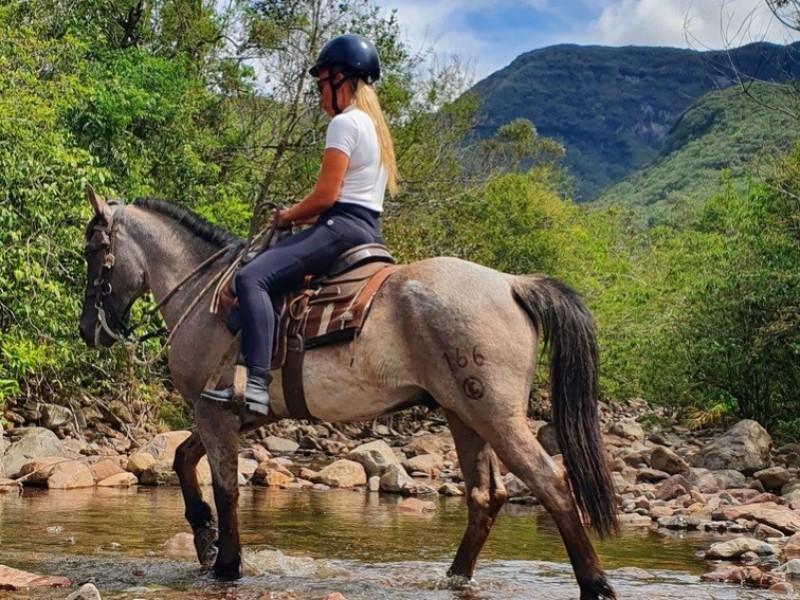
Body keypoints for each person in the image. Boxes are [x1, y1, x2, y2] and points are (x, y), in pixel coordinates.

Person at [201, 34, 398, 417]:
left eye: (322, 84)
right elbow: (345, 197)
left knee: (252, 278)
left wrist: (288, 216)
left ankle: (256, 384)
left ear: (341, 80)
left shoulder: (345, 124)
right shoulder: (375, 128)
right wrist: (297, 213)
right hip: (366, 229)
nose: (321, 95)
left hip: (340, 228)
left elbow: (326, 198)